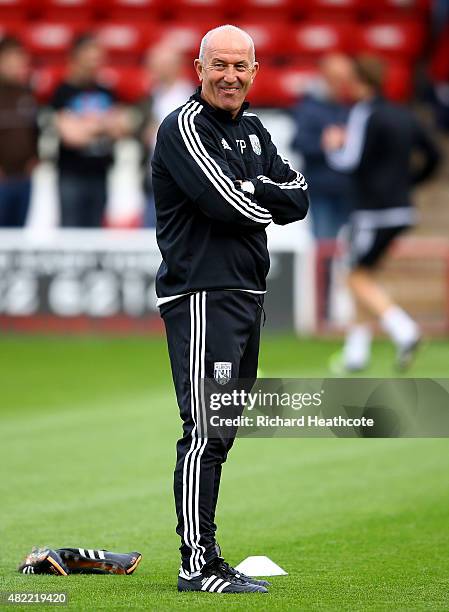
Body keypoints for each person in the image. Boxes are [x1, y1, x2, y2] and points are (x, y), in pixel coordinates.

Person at [152, 25, 309, 594]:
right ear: (198, 69)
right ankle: (196, 564)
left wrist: (258, 189)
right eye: (219, 65)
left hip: (247, 293)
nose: (230, 76)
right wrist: (263, 193)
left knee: (224, 431)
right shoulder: (185, 127)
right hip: (202, 295)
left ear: (255, 71)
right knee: (205, 429)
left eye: (240, 66)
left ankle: (207, 555)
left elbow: (301, 196)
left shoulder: (253, 129)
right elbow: (225, 203)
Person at [323, 56, 440, 372]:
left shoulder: (365, 113)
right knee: (365, 275)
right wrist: (408, 183)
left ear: (360, 81)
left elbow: (350, 161)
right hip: (401, 209)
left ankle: (405, 330)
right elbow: (434, 156)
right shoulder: (405, 114)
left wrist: (333, 146)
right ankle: (355, 354)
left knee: (354, 277)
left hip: (372, 213)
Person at [51, 34, 131, 227]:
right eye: (90, 54)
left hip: (100, 172)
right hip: (72, 174)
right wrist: (104, 123)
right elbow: (72, 137)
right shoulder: (63, 92)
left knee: (96, 234)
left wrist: (86, 125)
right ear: (76, 57)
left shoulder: (107, 91)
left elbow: (122, 129)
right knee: (71, 233)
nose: (96, 60)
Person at [291, 53, 353, 239]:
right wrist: (324, 143)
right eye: (336, 79)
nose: (341, 84)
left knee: (350, 247)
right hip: (321, 188)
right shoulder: (308, 107)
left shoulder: (352, 106)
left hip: (350, 188)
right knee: (325, 244)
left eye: (344, 79)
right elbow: (298, 143)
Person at [138, 42, 194, 227]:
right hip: (154, 180)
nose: (154, 69)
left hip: (181, 184)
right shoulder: (152, 96)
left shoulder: (189, 97)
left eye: (160, 64)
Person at [0, 37, 38, 227]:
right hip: (2, 179)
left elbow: (34, 130)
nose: (16, 65)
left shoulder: (26, 93)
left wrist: (35, 158)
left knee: (18, 238)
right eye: (11, 60)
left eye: (20, 60)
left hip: (24, 177)